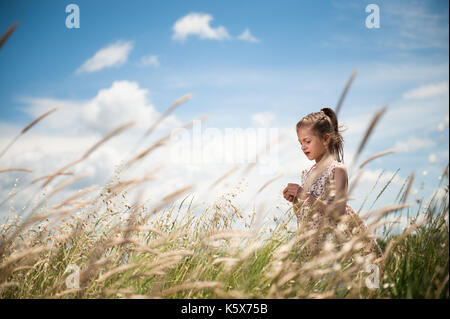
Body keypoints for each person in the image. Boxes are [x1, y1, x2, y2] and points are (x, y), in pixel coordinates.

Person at [283, 107, 382, 263]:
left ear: (326, 139)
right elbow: (305, 215)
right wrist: (296, 201)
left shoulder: (337, 170)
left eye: (307, 141)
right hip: (312, 244)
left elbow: (338, 212)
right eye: (300, 142)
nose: (303, 146)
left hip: (333, 244)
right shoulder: (306, 173)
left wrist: (305, 195)